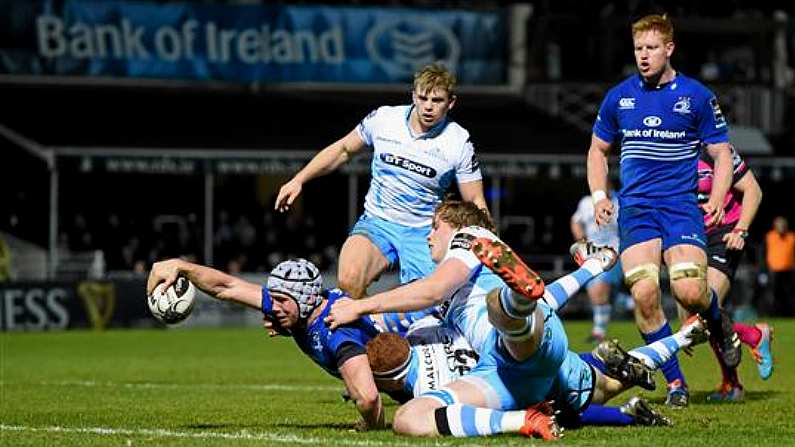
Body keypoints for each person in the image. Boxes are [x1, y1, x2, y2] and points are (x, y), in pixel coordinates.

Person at [586, 13, 739, 408]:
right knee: (646, 293)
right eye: (638, 48)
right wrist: (601, 195)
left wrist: (719, 196)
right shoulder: (619, 97)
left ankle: (720, 321)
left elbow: (721, 154)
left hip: (681, 207)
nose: (643, 55)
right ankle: (676, 384)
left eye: (651, 48)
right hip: (636, 210)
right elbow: (598, 151)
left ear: (669, 48)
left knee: (689, 291)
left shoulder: (697, 96)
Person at [325, 199, 568, 439]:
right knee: (408, 419)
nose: (428, 236)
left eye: (435, 226)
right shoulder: (453, 288)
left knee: (498, 312)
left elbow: (433, 290)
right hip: (510, 376)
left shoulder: (471, 236)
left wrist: (359, 306)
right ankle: (526, 419)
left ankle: (517, 302)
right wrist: (592, 266)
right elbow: (415, 304)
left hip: (521, 337)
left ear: (456, 226)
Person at [275, 63, 487, 307]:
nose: (428, 106)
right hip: (378, 221)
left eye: (437, 100)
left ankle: (392, 332)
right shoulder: (384, 118)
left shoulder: (458, 142)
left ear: (451, 103)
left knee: (428, 306)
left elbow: (475, 201)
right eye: (423, 97)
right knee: (349, 279)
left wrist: (493, 246)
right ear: (413, 96)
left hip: (424, 232)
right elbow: (343, 150)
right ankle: (365, 341)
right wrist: (298, 179)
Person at [145, 258, 387, 431]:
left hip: (417, 384)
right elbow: (227, 287)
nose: (274, 308)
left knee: (409, 422)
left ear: (307, 300)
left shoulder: (336, 330)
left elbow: (369, 399)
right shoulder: (305, 309)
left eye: (281, 301)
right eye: (273, 300)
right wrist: (182, 266)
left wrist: (371, 424)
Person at [689, 144, 773, 401]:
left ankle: (733, 384)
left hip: (723, 234)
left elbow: (753, 191)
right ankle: (753, 337)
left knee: (707, 304)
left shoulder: (715, 149)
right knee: (697, 318)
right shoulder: (666, 149)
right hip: (690, 237)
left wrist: (741, 230)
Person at [570, 182, 629, 342]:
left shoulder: (620, 202)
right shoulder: (586, 202)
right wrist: (582, 242)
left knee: (599, 290)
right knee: (599, 294)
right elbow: (575, 222)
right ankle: (632, 302)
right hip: (591, 255)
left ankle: (598, 332)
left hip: (613, 253)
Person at [764, 216, 795, 316]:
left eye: (783, 224)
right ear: (775, 226)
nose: (781, 226)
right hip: (773, 270)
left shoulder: (792, 237)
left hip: (788, 270)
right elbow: (763, 253)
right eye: (779, 224)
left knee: (789, 294)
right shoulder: (769, 236)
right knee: (772, 294)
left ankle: (790, 314)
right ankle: (772, 314)